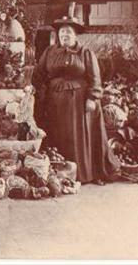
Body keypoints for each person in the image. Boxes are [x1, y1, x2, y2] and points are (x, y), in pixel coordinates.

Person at [30, 15, 120, 184]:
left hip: (79, 103)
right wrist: (34, 89)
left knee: (78, 136)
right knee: (58, 135)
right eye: (62, 32)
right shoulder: (49, 52)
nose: (65, 35)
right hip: (55, 102)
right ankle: (59, 174)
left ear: (75, 35)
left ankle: (83, 174)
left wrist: (92, 98)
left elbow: (95, 78)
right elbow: (39, 73)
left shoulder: (85, 53)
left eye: (69, 32)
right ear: (58, 35)